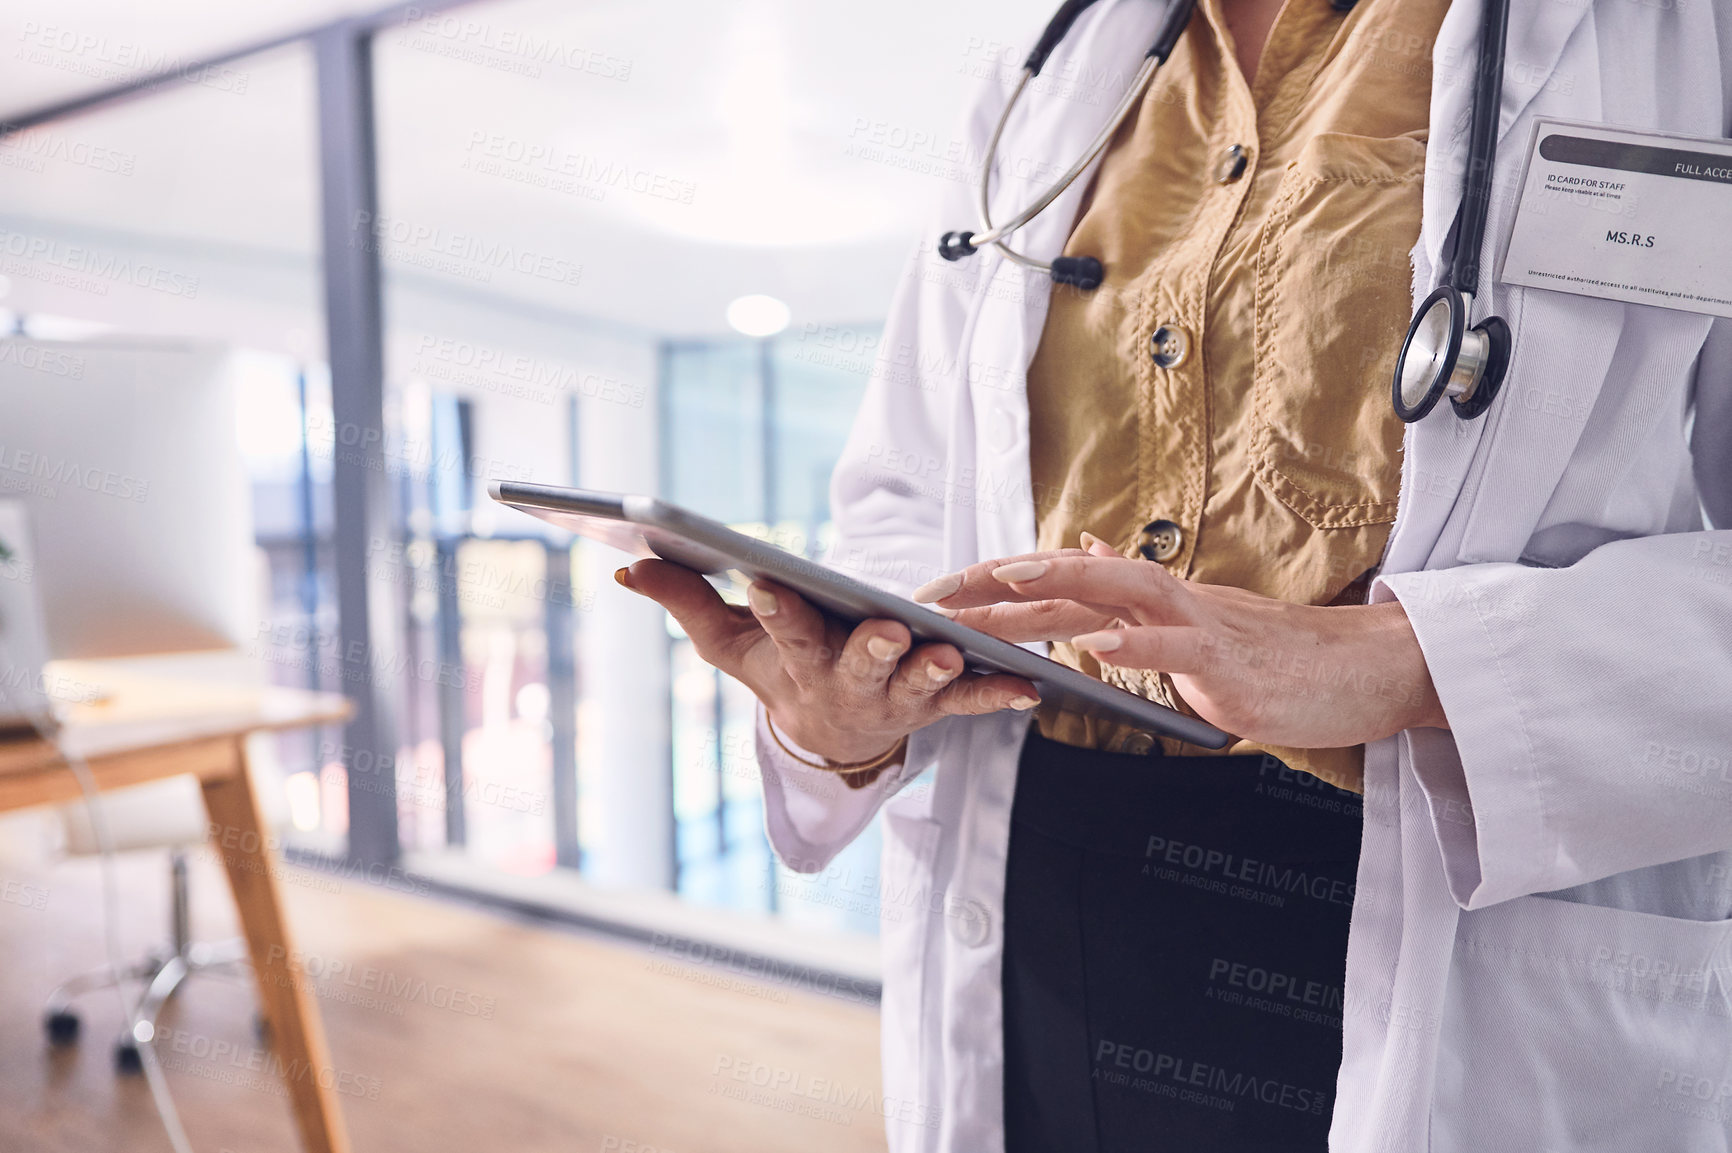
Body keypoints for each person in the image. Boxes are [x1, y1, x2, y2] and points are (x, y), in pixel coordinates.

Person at [621, 0, 1732, 1148]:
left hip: (1436, 901)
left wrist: (1410, 662)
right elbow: (912, 485)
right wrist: (848, 696)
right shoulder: (1042, 70)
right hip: (1041, 877)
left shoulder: (1680, 41)